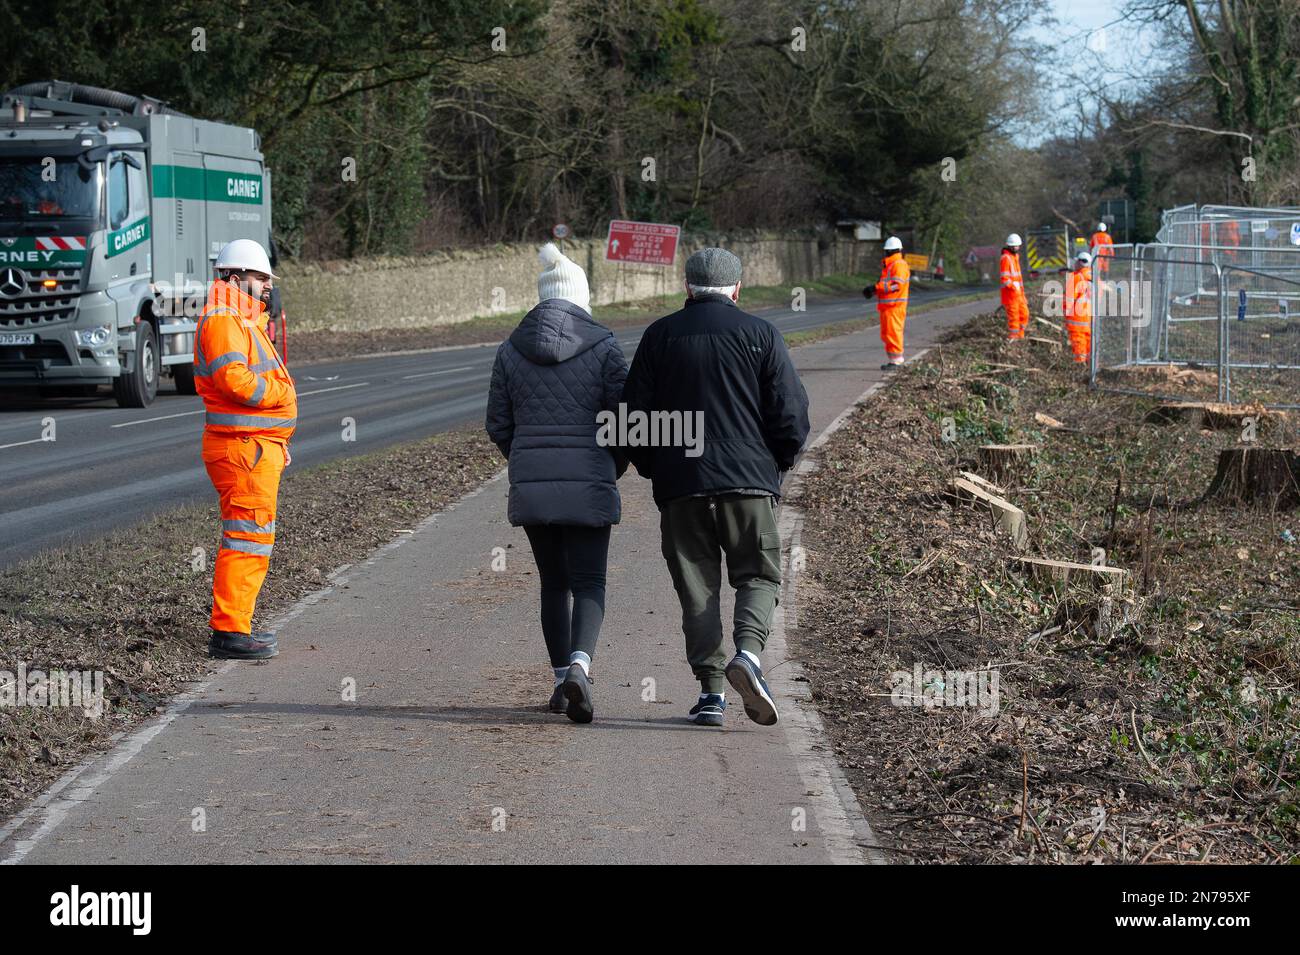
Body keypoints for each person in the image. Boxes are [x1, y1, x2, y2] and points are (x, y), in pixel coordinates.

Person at [622, 248, 810, 728]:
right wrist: (777, 463)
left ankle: (710, 694)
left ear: (686, 288)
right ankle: (747, 655)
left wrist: (657, 467)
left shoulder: (658, 336)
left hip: (682, 486)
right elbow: (790, 413)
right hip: (748, 482)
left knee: (697, 588)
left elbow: (633, 420)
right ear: (737, 289)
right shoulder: (761, 334)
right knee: (758, 575)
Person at [485, 243, 628, 724]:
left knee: (553, 582)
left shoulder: (510, 350)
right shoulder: (606, 347)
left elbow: (497, 423)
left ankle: (558, 677)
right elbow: (623, 420)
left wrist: (525, 460)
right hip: (590, 481)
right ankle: (582, 669)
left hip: (533, 485)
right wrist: (612, 463)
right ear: (582, 298)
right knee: (590, 581)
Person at [194, 239, 297, 660]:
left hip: (255, 446)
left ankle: (236, 624)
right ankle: (231, 631)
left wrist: (277, 439)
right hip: (243, 450)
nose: (267, 286)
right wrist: (279, 394)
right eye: (259, 278)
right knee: (246, 539)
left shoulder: (241, 318)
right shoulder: (223, 319)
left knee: (252, 538)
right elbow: (234, 380)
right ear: (235, 278)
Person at [873, 235, 910, 369]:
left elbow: (896, 285)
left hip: (894, 307)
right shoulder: (890, 265)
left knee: (893, 333)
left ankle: (897, 361)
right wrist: (874, 290)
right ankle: (893, 360)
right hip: (888, 307)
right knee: (888, 334)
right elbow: (887, 285)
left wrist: (877, 288)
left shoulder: (898, 265)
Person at [1065, 250, 1093, 364]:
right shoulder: (1094, 276)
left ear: (1080, 262)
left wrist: (1066, 314)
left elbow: (1069, 299)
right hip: (1089, 317)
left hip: (1076, 318)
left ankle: (1079, 365)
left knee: (1078, 341)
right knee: (1088, 342)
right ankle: (1089, 364)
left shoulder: (1075, 277)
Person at [1000, 234, 1029, 341]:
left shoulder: (1015, 258)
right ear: (1010, 246)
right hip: (1010, 296)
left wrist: (1022, 293)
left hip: (1019, 295)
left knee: (1024, 314)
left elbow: (1019, 279)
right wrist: (1013, 287)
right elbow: (1005, 278)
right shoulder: (1006, 258)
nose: (1017, 248)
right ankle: (1013, 338)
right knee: (1014, 318)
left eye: (1018, 246)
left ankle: (1020, 336)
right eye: (1015, 246)